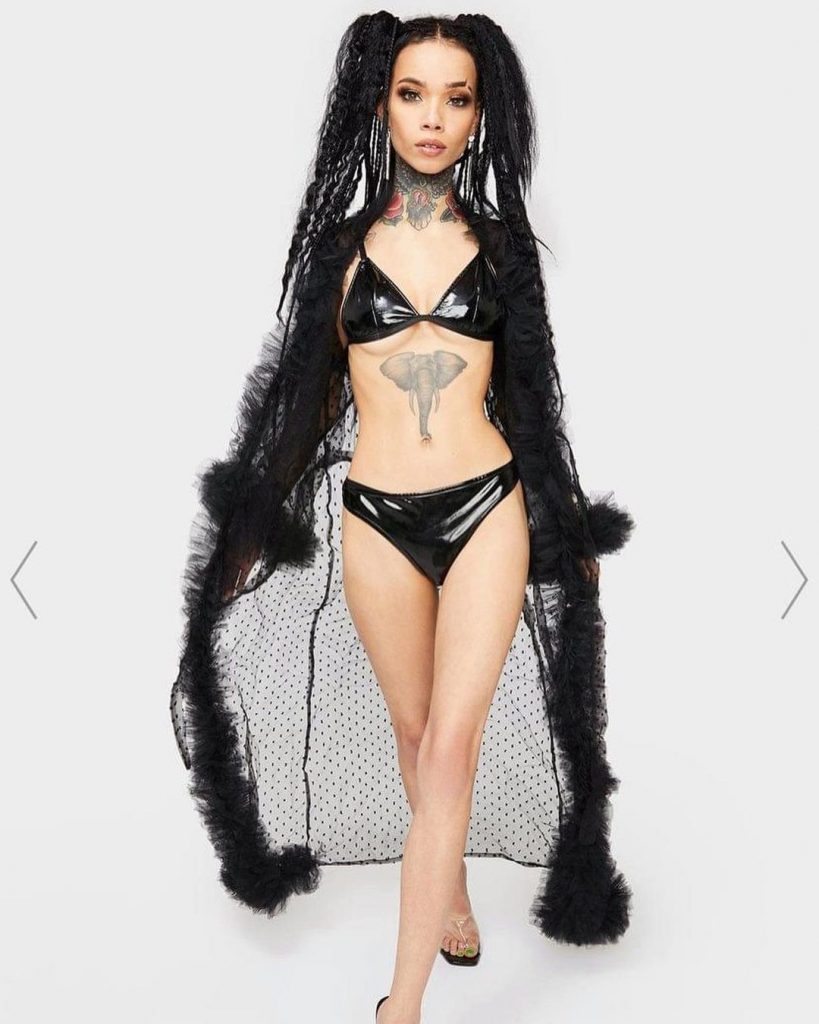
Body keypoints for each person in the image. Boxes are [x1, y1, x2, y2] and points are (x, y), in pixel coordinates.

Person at [169, 12, 635, 1024]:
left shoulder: (502, 248)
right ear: (379, 104)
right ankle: (448, 884)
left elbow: (533, 397)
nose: (432, 118)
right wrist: (250, 526)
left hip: (487, 505)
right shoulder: (340, 251)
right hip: (377, 517)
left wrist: (562, 520)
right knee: (415, 730)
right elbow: (305, 401)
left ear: (481, 113)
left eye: (455, 98)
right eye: (412, 94)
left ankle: (403, 1006)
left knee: (450, 747)